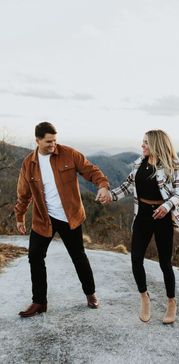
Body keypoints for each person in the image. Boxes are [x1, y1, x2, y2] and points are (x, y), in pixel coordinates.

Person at [15, 121, 111, 318]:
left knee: (78, 256)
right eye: (48, 142)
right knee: (35, 256)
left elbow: (90, 170)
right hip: (44, 219)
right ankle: (39, 302)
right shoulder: (28, 164)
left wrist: (102, 185)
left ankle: (90, 294)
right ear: (37, 141)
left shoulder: (68, 153)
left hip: (70, 217)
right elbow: (24, 194)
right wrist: (20, 216)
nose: (53, 145)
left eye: (55, 141)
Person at [99, 129, 179, 324]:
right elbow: (126, 187)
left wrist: (166, 207)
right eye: (142, 142)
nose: (142, 146)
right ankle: (144, 298)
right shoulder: (139, 163)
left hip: (162, 217)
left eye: (146, 143)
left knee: (165, 263)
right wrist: (110, 195)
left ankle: (171, 302)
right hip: (142, 216)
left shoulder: (174, 165)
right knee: (135, 259)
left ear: (157, 144)